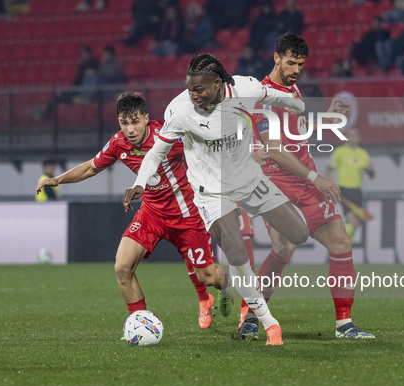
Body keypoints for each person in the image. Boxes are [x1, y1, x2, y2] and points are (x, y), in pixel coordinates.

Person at [123, 54, 314, 346]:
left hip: (249, 180)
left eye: (198, 89)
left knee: (299, 233)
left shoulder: (244, 88)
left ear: (218, 83)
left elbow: (272, 95)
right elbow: (156, 152)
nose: (193, 94)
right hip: (211, 192)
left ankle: (249, 301)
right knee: (236, 252)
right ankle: (268, 322)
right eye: (189, 88)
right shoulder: (181, 110)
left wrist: (298, 105)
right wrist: (139, 183)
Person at [36, 92, 224, 330]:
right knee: (122, 267)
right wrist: (57, 180)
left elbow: (206, 149)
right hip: (152, 213)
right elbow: (90, 168)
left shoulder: (169, 135)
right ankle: (142, 324)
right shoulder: (118, 143)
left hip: (187, 215)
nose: (130, 129)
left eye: (135, 121)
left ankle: (226, 289)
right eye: (124, 123)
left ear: (146, 118)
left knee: (207, 277)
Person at [248, 32, 375, 340]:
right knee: (284, 247)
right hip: (276, 185)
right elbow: (276, 150)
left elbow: (296, 135)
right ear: (276, 57)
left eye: (300, 65)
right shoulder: (262, 97)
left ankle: (344, 325)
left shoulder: (293, 91)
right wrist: (316, 177)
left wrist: (327, 119)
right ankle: (253, 317)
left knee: (341, 245)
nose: (295, 70)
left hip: (306, 184)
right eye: (290, 63)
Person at [325, 128, 374, 240]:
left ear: (359, 138)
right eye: (350, 135)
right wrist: (332, 187)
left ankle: (343, 245)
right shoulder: (339, 152)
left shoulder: (363, 154)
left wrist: (371, 170)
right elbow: (328, 170)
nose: (352, 138)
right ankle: (341, 246)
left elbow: (371, 175)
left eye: (355, 135)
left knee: (356, 224)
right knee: (352, 220)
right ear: (345, 137)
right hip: (344, 190)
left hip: (357, 191)